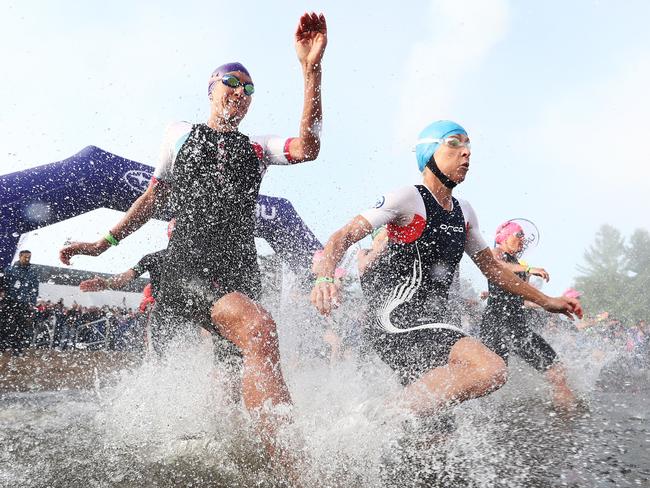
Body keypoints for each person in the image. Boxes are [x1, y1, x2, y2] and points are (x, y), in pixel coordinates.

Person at [59, 12, 327, 462]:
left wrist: (310, 70)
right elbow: (150, 198)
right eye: (231, 83)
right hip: (188, 263)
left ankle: (212, 448)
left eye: (248, 89)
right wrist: (102, 244)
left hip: (240, 271)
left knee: (230, 377)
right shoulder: (180, 134)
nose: (240, 93)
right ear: (211, 89)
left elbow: (308, 148)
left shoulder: (257, 148)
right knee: (261, 331)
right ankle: (292, 467)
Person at [311, 120, 582, 417]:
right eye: (454, 143)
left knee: (436, 437)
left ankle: (369, 436)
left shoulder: (464, 212)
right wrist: (325, 276)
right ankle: (377, 420)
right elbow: (344, 235)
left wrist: (547, 301)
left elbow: (492, 269)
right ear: (429, 153)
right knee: (489, 369)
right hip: (397, 319)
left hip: (429, 325)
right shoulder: (409, 198)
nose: (466, 152)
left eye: (468, 145)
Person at [479, 222, 578, 410]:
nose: (522, 239)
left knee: (556, 369)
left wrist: (551, 304)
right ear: (503, 236)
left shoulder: (518, 265)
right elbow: (496, 265)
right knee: (490, 379)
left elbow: (522, 299)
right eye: (518, 234)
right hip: (495, 324)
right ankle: (471, 414)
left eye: (524, 236)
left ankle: (567, 418)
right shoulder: (496, 253)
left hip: (517, 326)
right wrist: (528, 269)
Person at [1, 250, 39, 355]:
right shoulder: (9, 269)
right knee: (5, 324)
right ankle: (2, 346)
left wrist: (32, 303)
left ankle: (17, 348)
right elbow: (3, 284)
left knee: (21, 326)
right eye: (25, 257)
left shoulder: (32, 273)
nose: (27, 259)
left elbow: (34, 289)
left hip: (24, 303)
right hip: (9, 301)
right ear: (20, 256)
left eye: (29, 257)